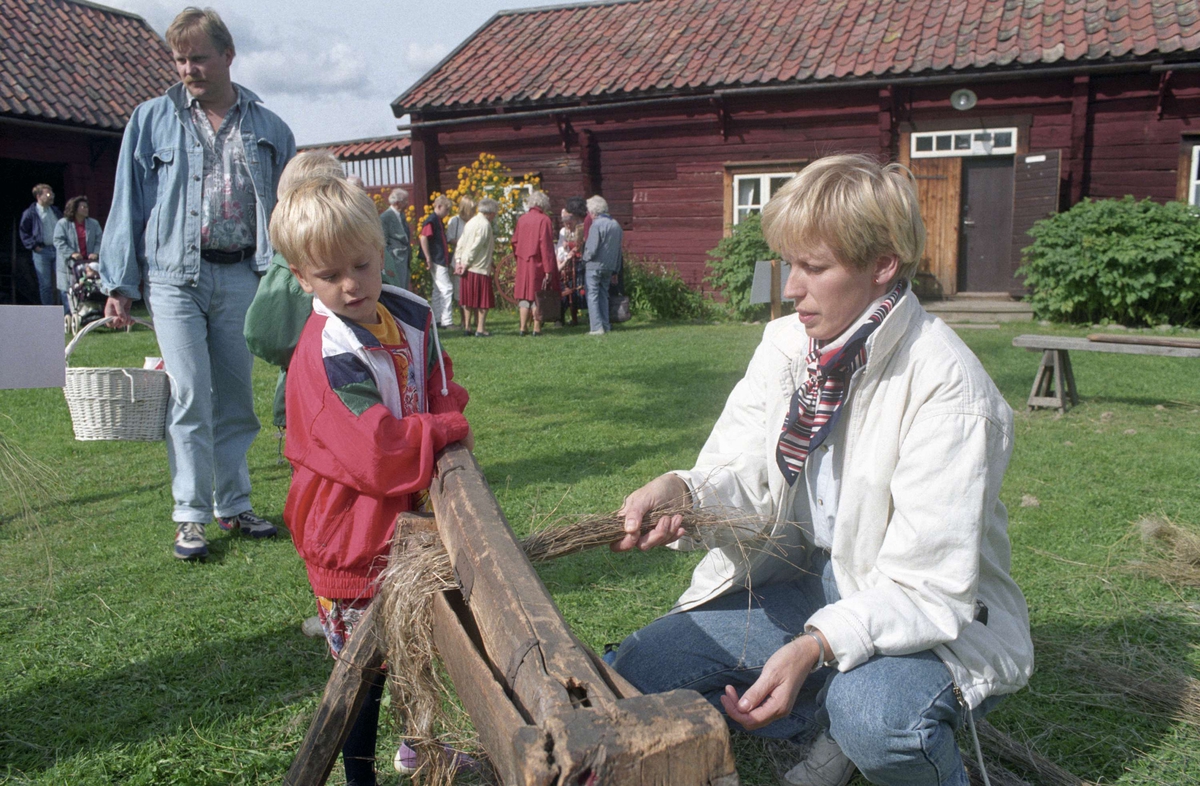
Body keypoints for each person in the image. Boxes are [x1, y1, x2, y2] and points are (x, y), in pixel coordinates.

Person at [608, 154, 1033, 786]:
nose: (789, 288)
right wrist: (687, 491)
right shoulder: (789, 346)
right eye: (789, 263)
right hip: (814, 582)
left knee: (877, 719)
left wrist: (814, 647)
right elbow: (747, 471)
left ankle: (859, 729)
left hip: (929, 616)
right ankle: (823, 716)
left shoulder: (950, 391)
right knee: (642, 665)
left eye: (814, 268)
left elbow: (930, 589)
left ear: (882, 265)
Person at [271, 174, 471, 786]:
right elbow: (377, 452)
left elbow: (437, 378)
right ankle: (360, 776)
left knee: (414, 647)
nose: (351, 284)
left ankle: (419, 746)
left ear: (383, 251)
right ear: (302, 278)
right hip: (350, 537)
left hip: (402, 525)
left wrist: (441, 409)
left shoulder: (409, 313)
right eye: (329, 275)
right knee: (363, 673)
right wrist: (443, 429)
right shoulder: (327, 356)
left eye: (362, 264)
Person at [99, 7, 296, 561]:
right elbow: (127, 202)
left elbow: (288, 210)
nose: (188, 69)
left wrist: (298, 269)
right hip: (172, 277)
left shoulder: (270, 128)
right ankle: (189, 515)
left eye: (199, 58)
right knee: (188, 393)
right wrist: (120, 282)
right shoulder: (150, 120)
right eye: (180, 59)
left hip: (242, 274)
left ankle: (233, 504)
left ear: (228, 56)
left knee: (236, 398)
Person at [243, 150, 344, 430]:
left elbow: (263, 333)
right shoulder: (360, 255)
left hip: (305, 394)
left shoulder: (288, 267)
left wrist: (296, 357)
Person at [511, 190, 559, 336]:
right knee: (538, 295)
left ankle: (522, 327)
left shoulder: (522, 219)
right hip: (537, 262)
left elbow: (514, 241)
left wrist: (519, 256)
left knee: (524, 295)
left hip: (522, 262)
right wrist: (548, 268)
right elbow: (546, 246)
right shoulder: (544, 220)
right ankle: (536, 328)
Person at [454, 197, 498, 336]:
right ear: (490, 212)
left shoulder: (471, 222)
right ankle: (480, 328)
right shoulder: (485, 225)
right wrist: (466, 262)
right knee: (482, 301)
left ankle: (467, 326)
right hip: (479, 267)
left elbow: (461, 242)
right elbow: (476, 246)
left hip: (467, 266)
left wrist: (459, 260)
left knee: (468, 299)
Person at [53, 195, 103, 316]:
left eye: (87, 207)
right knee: (68, 291)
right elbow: (58, 241)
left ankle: (91, 313)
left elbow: (99, 240)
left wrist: (96, 252)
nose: (86, 209)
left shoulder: (93, 224)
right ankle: (70, 315)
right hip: (69, 266)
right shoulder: (63, 224)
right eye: (83, 207)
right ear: (75, 209)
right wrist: (71, 253)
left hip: (87, 265)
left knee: (90, 288)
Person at [581, 195, 622, 335]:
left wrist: (584, 259)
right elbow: (618, 249)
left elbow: (591, 249)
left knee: (592, 294)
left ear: (593, 211)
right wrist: (616, 269)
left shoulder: (596, 225)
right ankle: (606, 324)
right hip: (610, 265)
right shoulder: (616, 224)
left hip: (595, 265)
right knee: (604, 294)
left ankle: (596, 327)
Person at [18, 184, 62, 306]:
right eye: (48, 194)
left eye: (52, 194)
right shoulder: (30, 213)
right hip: (42, 251)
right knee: (45, 284)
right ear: (38, 196)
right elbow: (23, 231)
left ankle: (66, 312)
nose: (51, 196)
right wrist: (33, 246)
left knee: (62, 282)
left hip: (57, 249)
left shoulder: (56, 211)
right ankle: (48, 311)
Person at [419, 195, 455, 329]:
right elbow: (423, 237)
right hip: (437, 259)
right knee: (446, 289)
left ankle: (437, 319)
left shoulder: (437, 220)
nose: (447, 213)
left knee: (438, 290)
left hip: (439, 259)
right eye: (446, 209)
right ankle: (447, 320)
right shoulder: (432, 220)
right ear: (439, 207)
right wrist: (428, 257)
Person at [556, 198, 587, 327]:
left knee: (576, 288)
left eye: (569, 222)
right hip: (566, 262)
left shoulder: (580, 229)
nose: (568, 224)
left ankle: (576, 317)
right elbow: (559, 248)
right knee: (565, 288)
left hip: (578, 262)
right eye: (565, 222)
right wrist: (561, 258)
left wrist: (572, 247)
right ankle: (560, 317)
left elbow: (581, 244)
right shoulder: (563, 232)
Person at [446, 196, 474, 330]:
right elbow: (449, 238)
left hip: (472, 259)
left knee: (471, 289)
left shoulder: (474, 221)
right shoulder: (455, 221)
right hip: (457, 258)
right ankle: (464, 320)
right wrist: (463, 243)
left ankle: (471, 319)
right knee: (459, 291)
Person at [381, 188, 411, 290]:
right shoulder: (386, 217)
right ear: (398, 203)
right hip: (395, 259)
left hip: (405, 259)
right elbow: (383, 241)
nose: (407, 203)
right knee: (398, 288)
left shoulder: (401, 215)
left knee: (404, 287)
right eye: (405, 201)